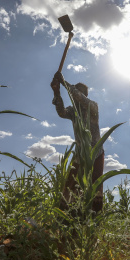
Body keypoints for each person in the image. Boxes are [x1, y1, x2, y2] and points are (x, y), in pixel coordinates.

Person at [50, 71, 104, 213]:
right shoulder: (73, 111)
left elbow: (77, 96)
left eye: (77, 92)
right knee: (71, 184)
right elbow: (61, 112)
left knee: (95, 184)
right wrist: (57, 92)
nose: (74, 96)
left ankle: (92, 218)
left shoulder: (93, 107)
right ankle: (68, 216)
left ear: (84, 95)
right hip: (80, 154)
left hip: (95, 153)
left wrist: (64, 83)